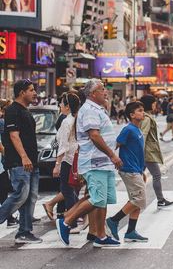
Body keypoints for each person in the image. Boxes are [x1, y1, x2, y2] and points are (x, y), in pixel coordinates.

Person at [56, 78, 122, 248]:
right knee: (97, 198)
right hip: (95, 162)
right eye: (102, 89)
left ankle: (99, 234)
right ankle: (66, 221)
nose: (105, 92)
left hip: (103, 162)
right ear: (93, 94)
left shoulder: (97, 109)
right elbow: (94, 135)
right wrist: (112, 155)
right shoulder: (90, 110)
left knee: (103, 200)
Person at [0, 79, 41, 243]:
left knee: (30, 197)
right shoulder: (12, 111)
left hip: (31, 162)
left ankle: (24, 232)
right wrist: (24, 157)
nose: (35, 93)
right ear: (22, 92)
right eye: (31, 90)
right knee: (20, 195)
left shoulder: (26, 111)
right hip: (19, 162)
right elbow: (13, 136)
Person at [106, 102, 149, 243]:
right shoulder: (128, 129)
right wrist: (115, 158)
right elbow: (116, 144)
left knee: (137, 201)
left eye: (143, 110)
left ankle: (131, 231)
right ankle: (113, 220)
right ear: (132, 115)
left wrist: (142, 170)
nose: (143, 113)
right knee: (139, 198)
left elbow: (139, 153)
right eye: (140, 110)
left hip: (136, 169)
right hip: (129, 169)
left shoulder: (138, 130)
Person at [44, 92, 80, 220]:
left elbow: (63, 145)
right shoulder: (77, 119)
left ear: (67, 106)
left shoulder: (67, 121)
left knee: (67, 190)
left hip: (67, 160)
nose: (60, 105)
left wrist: (57, 165)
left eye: (62, 103)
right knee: (71, 190)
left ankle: (72, 220)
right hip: (76, 159)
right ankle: (75, 216)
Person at [140, 94, 173, 209]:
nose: (155, 105)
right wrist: (140, 153)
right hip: (147, 152)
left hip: (145, 151)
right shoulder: (146, 118)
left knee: (139, 175)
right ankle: (160, 200)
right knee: (156, 175)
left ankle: (136, 199)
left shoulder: (146, 116)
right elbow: (143, 136)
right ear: (149, 104)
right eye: (154, 103)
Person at [0, 99, 17, 228]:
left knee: (4, 188)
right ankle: (8, 217)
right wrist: (8, 154)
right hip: (1, 164)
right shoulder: (2, 122)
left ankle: (9, 217)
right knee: (4, 187)